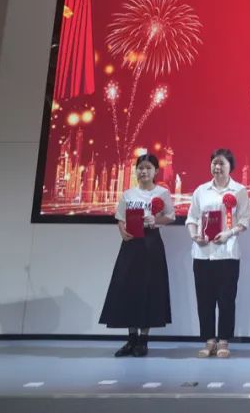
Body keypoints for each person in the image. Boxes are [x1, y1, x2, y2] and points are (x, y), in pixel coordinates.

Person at [99, 153, 174, 357]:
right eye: (140, 168)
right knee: (128, 288)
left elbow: (170, 216)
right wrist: (122, 231)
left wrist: (156, 221)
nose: (144, 171)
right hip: (131, 245)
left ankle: (143, 340)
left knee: (148, 289)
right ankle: (131, 339)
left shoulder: (162, 193)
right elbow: (120, 218)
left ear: (156, 171)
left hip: (151, 244)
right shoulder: (128, 194)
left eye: (148, 168)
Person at [186, 148, 250, 359]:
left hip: (227, 254)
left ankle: (223, 340)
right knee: (204, 300)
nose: (217, 167)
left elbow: (244, 221)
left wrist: (228, 233)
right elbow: (191, 218)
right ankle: (209, 340)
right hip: (202, 254)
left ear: (231, 166)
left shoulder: (239, 190)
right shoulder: (201, 191)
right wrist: (194, 235)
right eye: (214, 163)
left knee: (226, 299)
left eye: (222, 163)